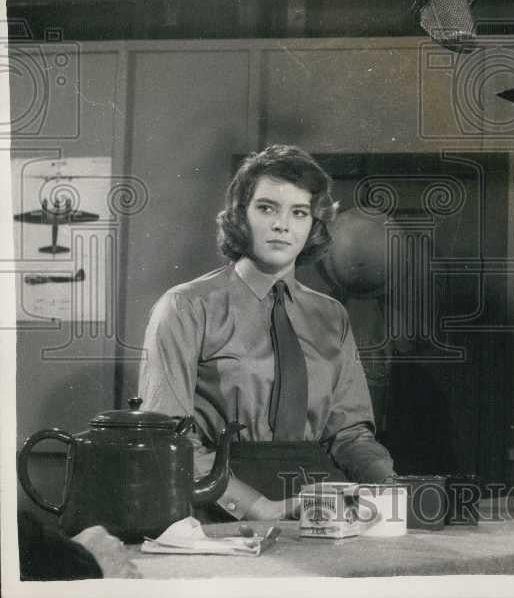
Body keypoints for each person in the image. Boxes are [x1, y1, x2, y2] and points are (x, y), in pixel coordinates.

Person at [138, 145, 396, 522]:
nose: (283, 225)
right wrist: (259, 508)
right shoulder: (185, 307)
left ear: (314, 225)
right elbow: (170, 440)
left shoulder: (331, 315)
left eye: (299, 212)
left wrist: (391, 486)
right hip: (217, 507)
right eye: (266, 208)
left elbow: (350, 435)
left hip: (315, 507)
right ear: (240, 215)